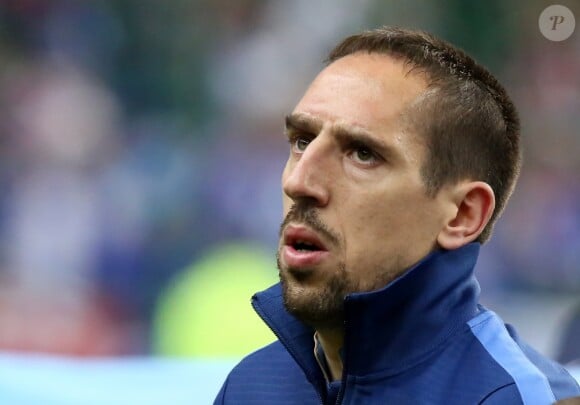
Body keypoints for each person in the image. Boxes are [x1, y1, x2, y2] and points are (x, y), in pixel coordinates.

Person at [214, 26, 580, 404]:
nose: (300, 180)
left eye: (362, 153)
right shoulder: (251, 386)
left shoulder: (520, 397)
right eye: (302, 141)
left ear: (462, 215)